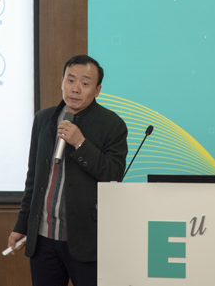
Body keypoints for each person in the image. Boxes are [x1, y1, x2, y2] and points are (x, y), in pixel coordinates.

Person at [7, 55, 128, 286]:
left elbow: (114, 175)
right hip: (43, 239)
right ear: (62, 81)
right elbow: (33, 178)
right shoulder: (44, 119)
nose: (75, 88)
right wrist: (22, 226)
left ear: (97, 90)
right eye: (70, 80)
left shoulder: (112, 125)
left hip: (85, 240)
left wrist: (81, 144)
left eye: (85, 83)